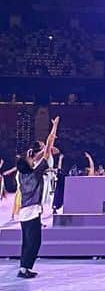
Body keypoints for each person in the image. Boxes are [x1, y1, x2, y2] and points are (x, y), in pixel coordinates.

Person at [14, 115, 59, 279]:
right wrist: (53, 129)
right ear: (29, 163)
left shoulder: (21, 175)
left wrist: (33, 154)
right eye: (30, 158)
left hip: (25, 212)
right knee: (34, 242)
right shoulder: (35, 173)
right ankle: (24, 269)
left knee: (27, 242)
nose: (33, 158)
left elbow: (39, 156)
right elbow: (47, 150)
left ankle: (24, 268)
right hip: (32, 212)